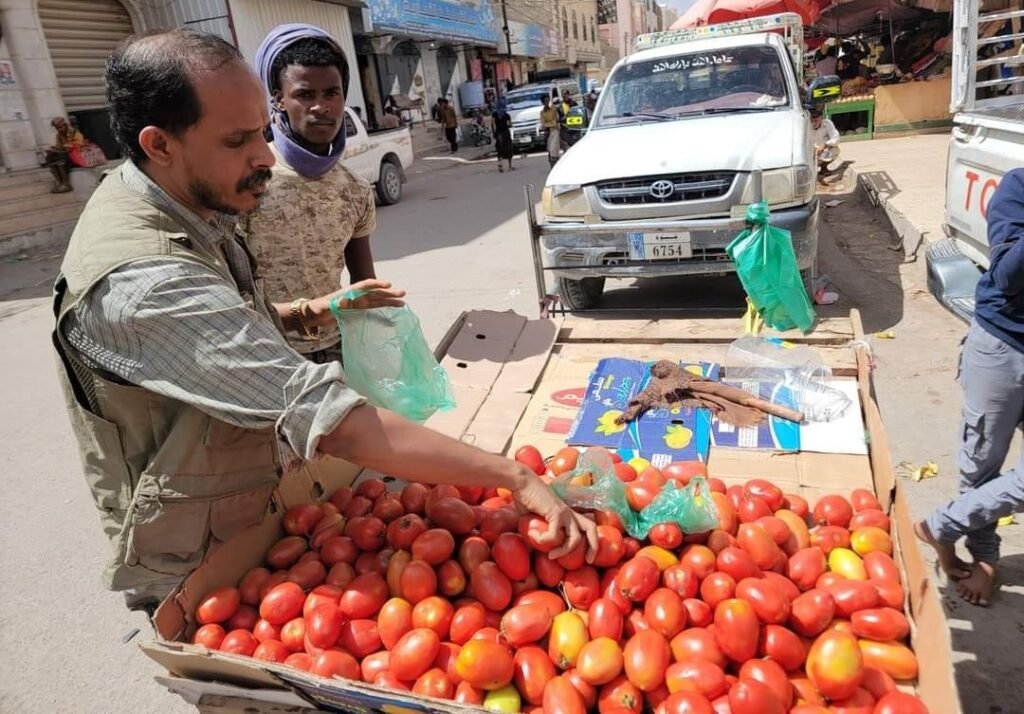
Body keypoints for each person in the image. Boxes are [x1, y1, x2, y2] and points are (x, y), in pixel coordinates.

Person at [53, 28, 597, 612]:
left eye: (262, 132)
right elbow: (329, 417)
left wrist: (318, 308)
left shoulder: (181, 203)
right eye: (238, 140)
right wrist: (514, 477)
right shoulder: (145, 280)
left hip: (241, 504)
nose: (265, 156)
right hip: (192, 555)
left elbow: (238, 326)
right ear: (159, 144)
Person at [244, 25, 386, 363]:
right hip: (268, 353)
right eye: (306, 95)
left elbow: (363, 282)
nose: (321, 107)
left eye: (331, 93)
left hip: (339, 350)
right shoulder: (250, 180)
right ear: (278, 99)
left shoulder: (354, 189)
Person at [915, 169, 1024, 607]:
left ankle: (943, 524)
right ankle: (984, 559)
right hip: (1003, 345)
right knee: (981, 464)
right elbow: (1008, 276)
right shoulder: (1016, 189)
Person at [45, 117, 85, 193]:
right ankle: (60, 183)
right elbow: (59, 146)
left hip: (76, 156)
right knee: (50, 158)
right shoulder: (59, 135)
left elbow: (80, 143)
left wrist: (66, 146)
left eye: (60, 127)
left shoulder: (74, 132)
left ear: (65, 125)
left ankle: (66, 184)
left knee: (61, 159)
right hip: (65, 155)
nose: (59, 130)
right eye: (57, 128)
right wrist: (53, 149)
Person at [811, 109, 840, 181]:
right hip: (810, 153)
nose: (813, 123)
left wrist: (824, 146)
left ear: (821, 118)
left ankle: (823, 168)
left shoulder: (827, 124)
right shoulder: (805, 126)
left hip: (823, 151)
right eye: (812, 121)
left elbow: (836, 138)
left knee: (835, 150)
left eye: (816, 121)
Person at [492, 96, 513, 173]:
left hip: (499, 133)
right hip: (505, 133)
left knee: (499, 149)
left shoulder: (494, 114)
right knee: (508, 149)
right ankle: (510, 166)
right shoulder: (507, 115)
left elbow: (493, 124)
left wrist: (494, 132)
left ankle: (500, 163)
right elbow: (510, 124)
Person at [540, 95, 560, 167]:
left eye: (548, 100)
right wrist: (549, 124)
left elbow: (555, 121)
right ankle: (553, 164)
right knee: (550, 149)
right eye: (545, 101)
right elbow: (543, 124)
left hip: (555, 130)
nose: (547, 102)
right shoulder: (542, 112)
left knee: (553, 148)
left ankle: (556, 163)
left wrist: (548, 124)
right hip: (549, 132)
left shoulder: (554, 109)